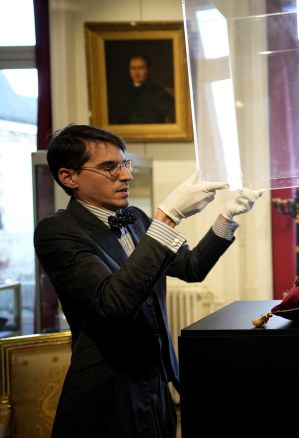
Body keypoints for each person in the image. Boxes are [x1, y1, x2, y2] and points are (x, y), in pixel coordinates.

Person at [34, 124, 263, 437]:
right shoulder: (57, 232)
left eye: (124, 165)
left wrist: (227, 218)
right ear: (69, 177)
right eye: (108, 167)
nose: (126, 176)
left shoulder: (137, 219)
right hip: (108, 390)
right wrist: (168, 218)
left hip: (157, 379)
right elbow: (113, 303)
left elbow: (191, 267)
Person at [116, 53, 176, 124]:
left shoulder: (160, 94)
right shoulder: (122, 94)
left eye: (141, 68)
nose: (136, 73)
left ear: (148, 70)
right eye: (133, 68)